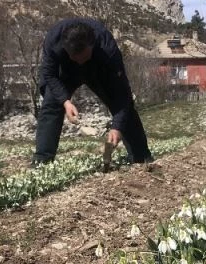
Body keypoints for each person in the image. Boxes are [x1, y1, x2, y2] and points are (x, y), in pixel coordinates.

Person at [32, 18, 153, 166]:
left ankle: (141, 157)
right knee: (51, 104)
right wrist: (65, 101)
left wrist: (117, 127)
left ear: (92, 44)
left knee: (123, 107)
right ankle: (42, 160)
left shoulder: (107, 47)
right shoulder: (53, 40)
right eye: (75, 58)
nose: (80, 62)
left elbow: (123, 94)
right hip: (66, 70)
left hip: (98, 68)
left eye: (83, 57)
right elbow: (49, 75)